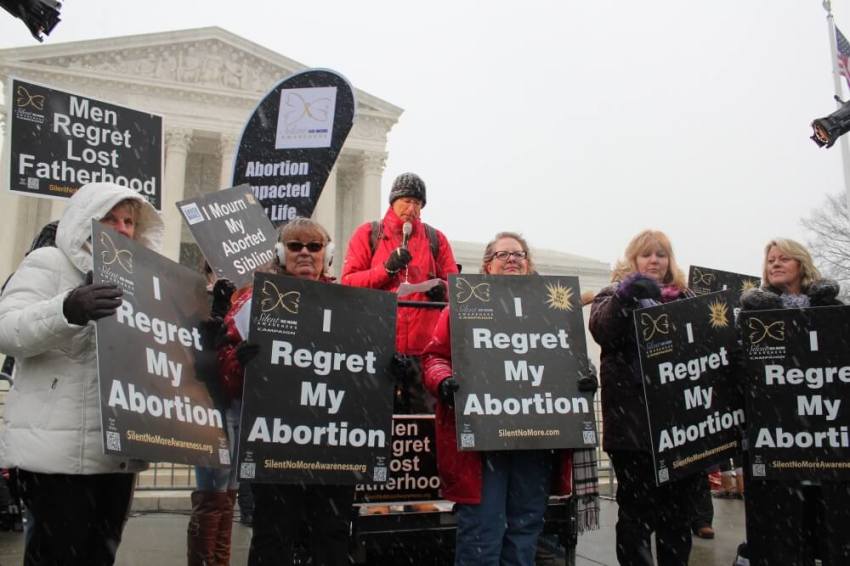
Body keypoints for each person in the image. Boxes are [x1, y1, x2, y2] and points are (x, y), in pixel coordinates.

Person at [0, 182, 163, 565]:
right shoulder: (49, 264)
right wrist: (66, 310)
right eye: (111, 218)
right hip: (57, 458)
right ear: (85, 220)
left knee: (99, 557)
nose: (122, 229)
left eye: (129, 221)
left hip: (115, 454)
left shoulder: (140, 282)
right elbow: (7, 329)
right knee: (54, 557)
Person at [422, 232, 596, 566]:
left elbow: (570, 361)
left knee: (524, 531)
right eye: (502, 254)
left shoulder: (551, 310)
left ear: (529, 264)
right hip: (482, 443)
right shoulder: (463, 304)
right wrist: (443, 381)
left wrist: (584, 381)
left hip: (535, 440)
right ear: (487, 266)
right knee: (481, 533)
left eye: (519, 254)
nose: (512, 259)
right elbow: (434, 357)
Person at [217, 218, 353, 566]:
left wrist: (390, 368)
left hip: (333, 444)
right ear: (280, 252)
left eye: (314, 246)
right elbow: (223, 371)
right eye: (295, 246)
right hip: (277, 443)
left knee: (331, 535)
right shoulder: (252, 300)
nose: (305, 253)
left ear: (328, 254)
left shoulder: (351, 303)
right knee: (274, 536)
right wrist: (237, 360)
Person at [589, 229, 701, 566]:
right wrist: (626, 297)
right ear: (633, 260)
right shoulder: (612, 294)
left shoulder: (685, 298)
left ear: (670, 261)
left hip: (680, 428)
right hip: (633, 430)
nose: (654, 260)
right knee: (636, 515)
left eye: (661, 254)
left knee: (677, 517)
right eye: (646, 254)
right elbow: (602, 331)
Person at [737, 237, 848, 566]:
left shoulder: (833, 312)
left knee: (829, 533)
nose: (775, 264)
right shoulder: (754, 318)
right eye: (770, 259)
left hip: (828, 443)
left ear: (802, 263)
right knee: (781, 538)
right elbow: (738, 369)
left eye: (783, 258)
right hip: (777, 443)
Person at [341, 172, 458, 414]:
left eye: (417, 203)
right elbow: (349, 283)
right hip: (378, 346)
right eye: (405, 200)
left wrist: (442, 290)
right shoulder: (368, 234)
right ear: (393, 201)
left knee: (421, 423)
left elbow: (456, 289)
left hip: (422, 350)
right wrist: (386, 270)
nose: (411, 207)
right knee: (375, 416)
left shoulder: (436, 239)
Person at [186, 264, 239, 566]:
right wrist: (216, 315)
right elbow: (197, 362)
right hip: (210, 409)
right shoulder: (195, 302)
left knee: (227, 498)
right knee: (212, 495)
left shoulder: (246, 300)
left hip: (235, 404)